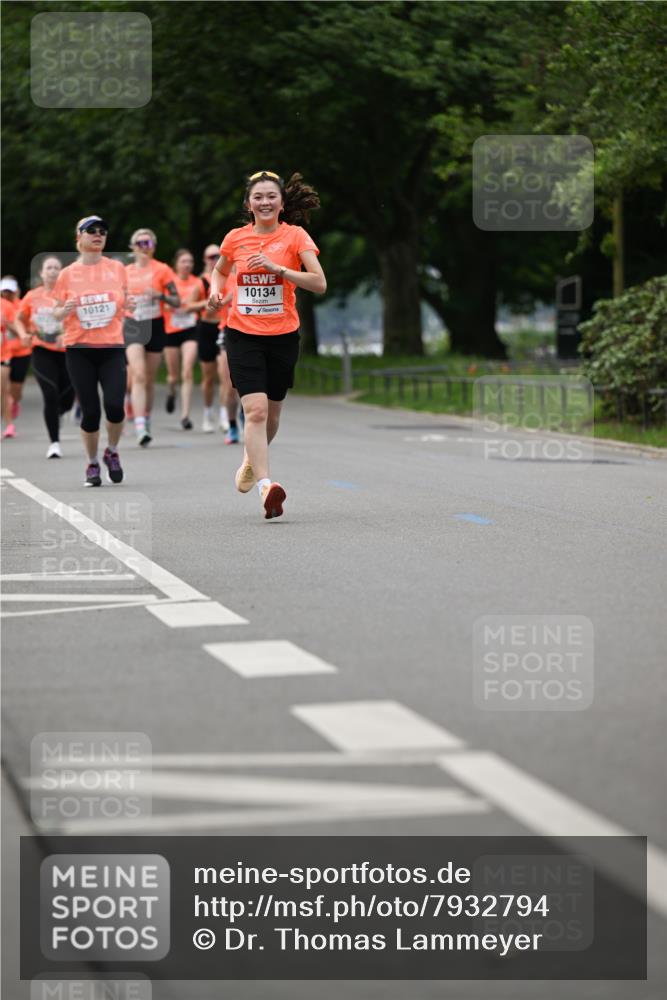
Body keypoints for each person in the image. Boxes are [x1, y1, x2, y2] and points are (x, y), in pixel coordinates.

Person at [209, 171, 326, 518]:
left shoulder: (295, 236)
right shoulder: (235, 238)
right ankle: (266, 487)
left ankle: (250, 459)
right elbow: (219, 270)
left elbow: (319, 283)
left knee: (272, 414)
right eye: (257, 197)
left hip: (283, 335)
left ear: (282, 202)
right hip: (242, 334)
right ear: (248, 204)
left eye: (271, 196)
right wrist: (215, 291)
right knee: (255, 410)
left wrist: (280, 270)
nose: (264, 202)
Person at [52, 215, 130, 486]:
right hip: (79, 349)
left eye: (102, 231)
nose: (98, 234)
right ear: (79, 237)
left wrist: (128, 305)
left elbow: (126, 298)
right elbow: (55, 312)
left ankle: (112, 451)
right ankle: (92, 462)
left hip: (112, 347)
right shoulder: (66, 274)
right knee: (91, 412)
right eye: (91, 231)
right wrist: (65, 310)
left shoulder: (117, 269)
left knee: (115, 406)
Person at [124, 228, 179, 445]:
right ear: (133, 247)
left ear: (154, 246)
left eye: (148, 243)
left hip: (155, 324)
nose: (144, 247)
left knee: (148, 378)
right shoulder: (125, 272)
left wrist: (161, 296)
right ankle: (139, 426)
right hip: (132, 324)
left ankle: (145, 417)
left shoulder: (163, 270)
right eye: (140, 243)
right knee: (137, 374)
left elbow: (177, 301)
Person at [17, 256, 75, 457]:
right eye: (48, 268)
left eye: (56, 268)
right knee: (50, 394)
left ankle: (62, 410)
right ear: (41, 273)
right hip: (42, 350)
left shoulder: (69, 295)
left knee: (68, 395)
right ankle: (54, 443)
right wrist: (23, 333)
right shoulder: (32, 296)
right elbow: (19, 318)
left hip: (67, 351)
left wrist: (66, 335)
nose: (52, 271)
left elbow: (81, 320)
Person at [163, 249, 206, 430]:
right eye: (183, 261)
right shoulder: (168, 280)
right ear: (176, 264)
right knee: (173, 376)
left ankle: (185, 415)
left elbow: (206, 303)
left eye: (190, 261)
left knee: (187, 370)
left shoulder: (198, 282)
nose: (187, 265)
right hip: (171, 330)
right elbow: (162, 303)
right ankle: (172, 390)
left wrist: (192, 306)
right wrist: (174, 304)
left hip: (190, 329)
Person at [197, 244, 231, 434]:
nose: (213, 259)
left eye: (217, 255)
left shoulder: (228, 276)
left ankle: (225, 414)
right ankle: (208, 412)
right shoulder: (201, 281)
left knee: (225, 376)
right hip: (206, 329)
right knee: (208, 377)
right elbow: (187, 306)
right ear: (204, 259)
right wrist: (207, 302)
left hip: (224, 328)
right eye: (210, 256)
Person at [1, 276, 32, 428]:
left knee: (16, 388)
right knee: (4, 388)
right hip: (5, 353)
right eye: (3, 291)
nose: (6, 294)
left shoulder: (21, 306)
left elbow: (24, 331)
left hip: (21, 351)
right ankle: (7, 414)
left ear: (16, 291)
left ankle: (14, 402)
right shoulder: (2, 305)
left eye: (9, 291)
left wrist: (7, 324)